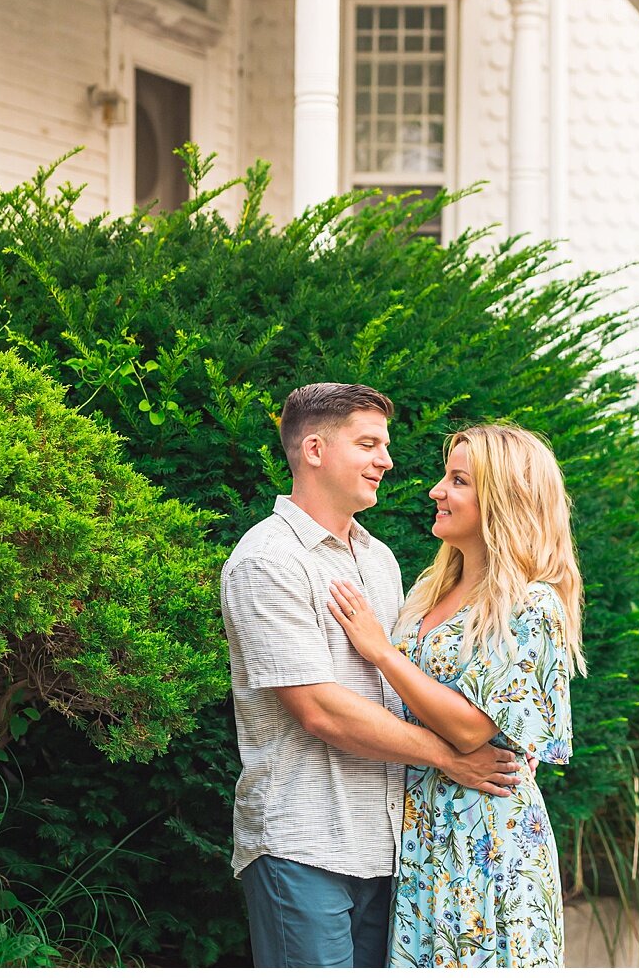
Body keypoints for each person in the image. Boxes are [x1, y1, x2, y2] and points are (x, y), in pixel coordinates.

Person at [221, 384, 530, 968]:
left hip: (391, 852)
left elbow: (408, 687)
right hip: (305, 844)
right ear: (314, 450)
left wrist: (501, 732)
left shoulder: (379, 559)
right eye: (369, 444)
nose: (386, 460)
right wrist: (449, 755)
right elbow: (319, 708)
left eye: (383, 446)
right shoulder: (268, 560)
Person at [327, 424, 585, 968]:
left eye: (458, 480)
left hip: (488, 839)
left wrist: (383, 653)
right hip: (422, 830)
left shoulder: (533, 605)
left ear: (503, 500)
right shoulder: (429, 591)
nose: (436, 491)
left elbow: (473, 728)